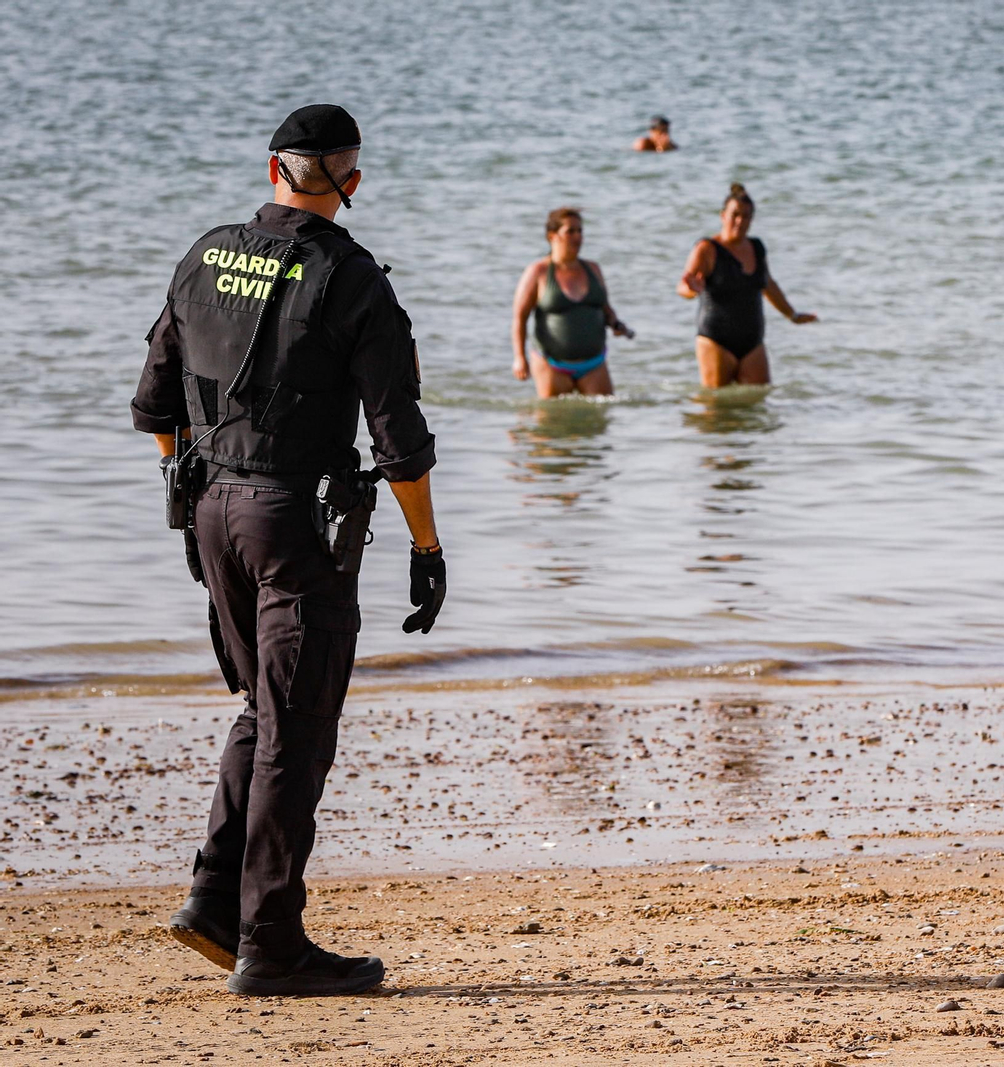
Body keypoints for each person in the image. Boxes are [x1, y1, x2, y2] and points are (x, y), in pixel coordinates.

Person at [130, 104, 447, 997]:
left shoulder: (205, 255)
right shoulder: (352, 278)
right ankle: (270, 942)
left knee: (262, 708)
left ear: (273, 170)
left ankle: (213, 901)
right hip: (292, 524)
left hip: (211, 513)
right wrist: (426, 546)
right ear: (353, 179)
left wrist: (188, 497)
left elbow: (155, 407)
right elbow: (399, 441)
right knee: (296, 731)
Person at [677, 183, 816, 387]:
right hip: (716, 340)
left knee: (758, 401)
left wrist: (792, 315)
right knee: (716, 404)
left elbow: (768, 285)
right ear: (723, 216)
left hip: (753, 343)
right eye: (735, 215)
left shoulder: (756, 247)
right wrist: (691, 290)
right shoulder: (707, 248)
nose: (740, 221)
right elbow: (683, 286)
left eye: (746, 216)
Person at [511, 208, 632, 398]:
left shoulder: (593, 269)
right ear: (552, 236)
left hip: (594, 363)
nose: (577, 237)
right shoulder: (538, 271)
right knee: (552, 417)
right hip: (551, 364)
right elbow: (520, 318)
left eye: (580, 231)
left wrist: (616, 324)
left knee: (602, 414)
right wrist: (519, 358)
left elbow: (606, 309)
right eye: (570, 231)